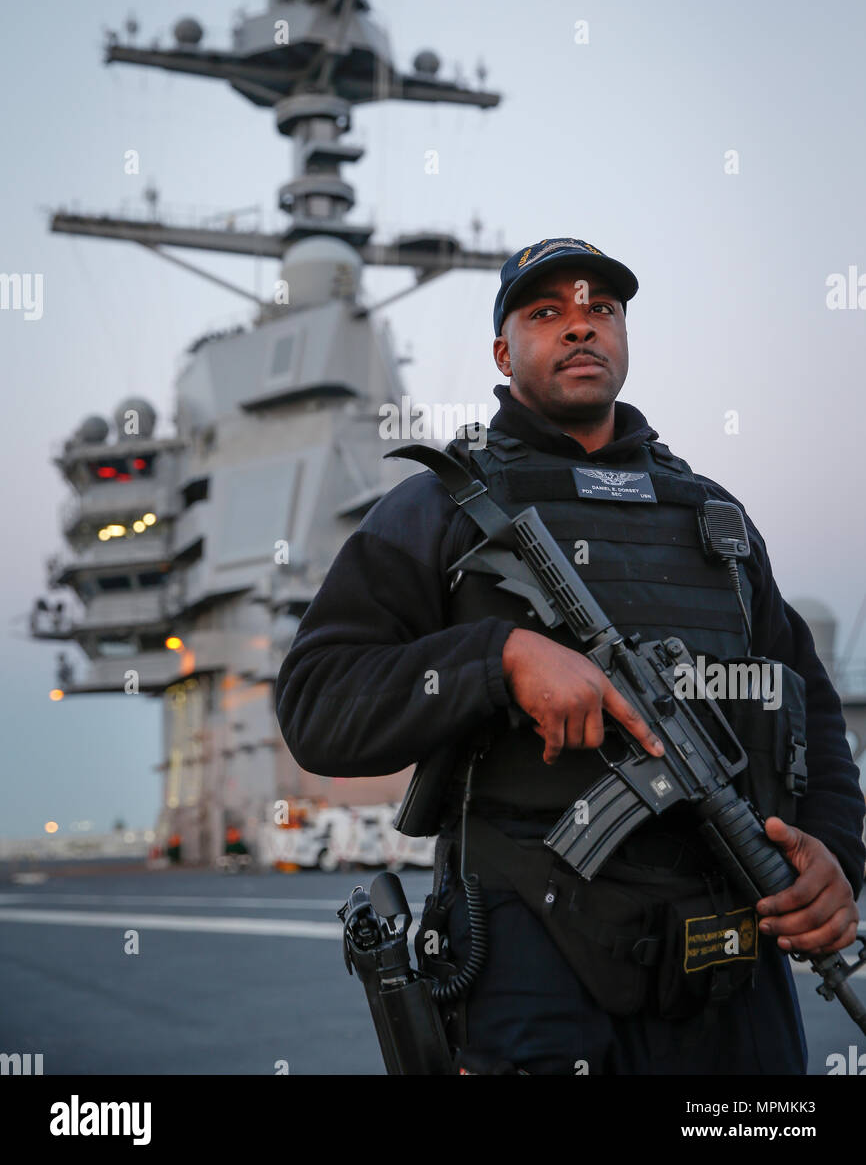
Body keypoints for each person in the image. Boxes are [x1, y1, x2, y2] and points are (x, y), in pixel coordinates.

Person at [275, 236, 866, 1075]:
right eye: (546, 313)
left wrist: (838, 854)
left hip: (732, 964)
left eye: (602, 311)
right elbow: (317, 705)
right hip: (533, 962)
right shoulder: (437, 510)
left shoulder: (716, 521)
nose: (580, 329)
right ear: (502, 350)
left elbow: (805, 702)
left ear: (625, 335)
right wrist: (500, 658)